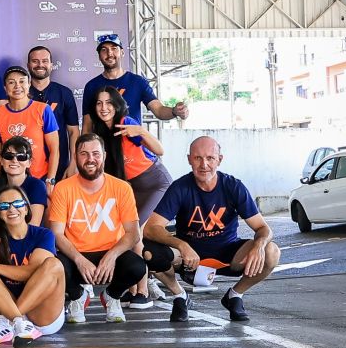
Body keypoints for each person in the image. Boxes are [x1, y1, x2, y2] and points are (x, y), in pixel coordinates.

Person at [143, 136, 280, 323]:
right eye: (198, 158)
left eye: (210, 158)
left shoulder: (233, 186)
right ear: (189, 159)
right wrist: (181, 245)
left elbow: (263, 228)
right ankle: (180, 296)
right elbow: (151, 228)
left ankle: (235, 296)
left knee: (271, 251)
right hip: (189, 259)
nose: (204, 164)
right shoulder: (180, 187)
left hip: (228, 255)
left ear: (219, 160)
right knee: (150, 252)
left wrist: (258, 245)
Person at [89, 86, 172, 309]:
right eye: (99, 103)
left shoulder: (126, 123)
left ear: (117, 105)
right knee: (126, 233)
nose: (104, 108)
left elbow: (160, 150)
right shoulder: (101, 133)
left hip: (154, 182)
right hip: (131, 188)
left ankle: (143, 291)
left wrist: (141, 132)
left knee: (134, 233)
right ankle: (133, 288)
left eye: (108, 103)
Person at [47, 135, 143, 325]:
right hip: (76, 253)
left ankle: (112, 296)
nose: (90, 159)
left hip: (109, 251)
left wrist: (112, 255)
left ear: (104, 156)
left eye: (95, 154)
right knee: (54, 267)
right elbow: (56, 234)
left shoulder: (122, 188)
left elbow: (133, 234)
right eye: (84, 154)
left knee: (137, 267)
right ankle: (78, 296)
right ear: (75, 156)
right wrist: (79, 259)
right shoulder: (63, 188)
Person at [0, 185, 65, 346]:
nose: (12, 209)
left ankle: (13, 321)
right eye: (4, 206)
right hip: (4, 309)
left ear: (27, 209)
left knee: (54, 265)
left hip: (40, 313)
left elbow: (30, 272)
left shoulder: (43, 234)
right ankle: (16, 321)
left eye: (17, 204)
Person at [82, 33, 188, 130]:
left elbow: (159, 110)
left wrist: (175, 111)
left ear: (122, 53)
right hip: (102, 148)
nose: (109, 53)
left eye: (114, 48)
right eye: (104, 50)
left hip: (132, 146)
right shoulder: (91, 86)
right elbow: (87, 124)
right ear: (99, 56)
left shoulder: (138, 82)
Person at [0, 65, 59, 188]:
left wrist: (50, 180)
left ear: (29, 84)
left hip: (40, 179)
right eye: (11, 82)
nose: (17, 86)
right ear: (5, 88)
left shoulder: (43, 110)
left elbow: (54, 149)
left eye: (22, 81)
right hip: (10, 181)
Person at [27, 45, 80, 179]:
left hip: (60, 166)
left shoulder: (64, 93)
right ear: (28, 65)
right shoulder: (22, 94)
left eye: (45, 61)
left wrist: (73, 163)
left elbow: (73, 131)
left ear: (51, 65)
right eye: (35, 61)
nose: (40, 65)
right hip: (27, 167)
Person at [0, 136, 48, 233]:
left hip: (29, 244)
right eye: (9, 156)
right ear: (1, 160)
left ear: (29, 163)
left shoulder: (37, 186)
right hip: (0, 242)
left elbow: (32, 227)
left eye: (21, 157)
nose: (14, 160)